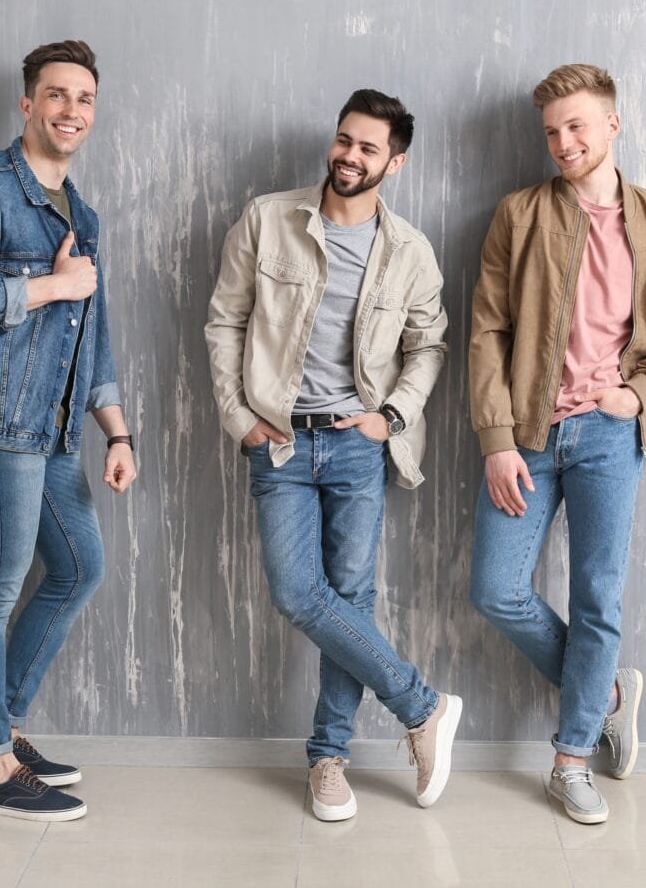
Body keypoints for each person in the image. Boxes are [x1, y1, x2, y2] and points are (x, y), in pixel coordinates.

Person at [205, 89, 461, 821]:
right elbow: (225, 321)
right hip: (280, 441)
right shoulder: (269, 218)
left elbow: (429, 346)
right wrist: (238, 418)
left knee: (350, 601)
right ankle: (422, 706)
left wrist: (391, 417)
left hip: (355, 445)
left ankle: (328, 757)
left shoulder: (409, 250)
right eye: (345, 140)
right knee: (298, 592)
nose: (350, 155)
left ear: (396, 162)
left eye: (369, 147)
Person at [468, 63, 646, 824]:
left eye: (576, 127)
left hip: (611, 432)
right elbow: (488, 329)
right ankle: (603, 691)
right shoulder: (519, 213)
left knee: (598, 598)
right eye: (551, 132)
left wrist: (639, 393)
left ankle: (572, 760)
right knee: (495, 588)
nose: (563, 142)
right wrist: (498, 439)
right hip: (530, 435)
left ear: (613, 124)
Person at [0, 40, 136, 821]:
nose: (70, 110)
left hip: (51, 427)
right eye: (55, 94)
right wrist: (50, 283)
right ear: (27, 103)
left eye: (83, 98)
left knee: (79, 565)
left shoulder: (83, 213)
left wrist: (117, 433)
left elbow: (94, 330)